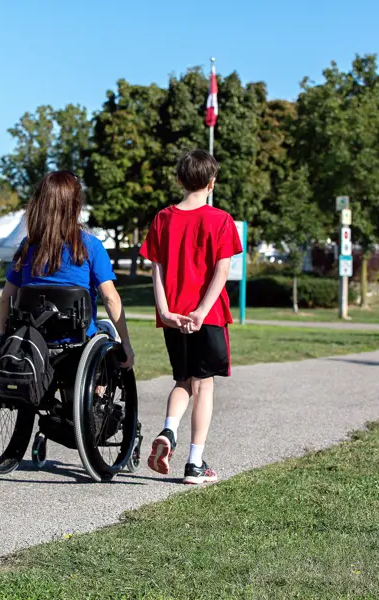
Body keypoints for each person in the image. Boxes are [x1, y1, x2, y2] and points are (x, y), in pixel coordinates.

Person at [140, 149, 243, 485]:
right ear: (211, 184)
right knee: (204, 386)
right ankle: (194, 464)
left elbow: (155, 269)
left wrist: (165, 311)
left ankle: (169, 432)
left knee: (182, 380)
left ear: (179, 180)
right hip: (207, 316)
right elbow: (222, 269)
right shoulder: (221, 220)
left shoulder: (162, 218)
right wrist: (201, 311)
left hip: (173, 315)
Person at [0, 171, 134, 368]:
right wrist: (126, 345)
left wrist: (4, 338)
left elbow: (6, 298)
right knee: (108, 329)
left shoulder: (28, 246)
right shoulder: (91, 246)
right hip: (77, 343)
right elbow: (110, 298)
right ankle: (99, 388)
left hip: (34, 341)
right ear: (76, 205)